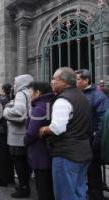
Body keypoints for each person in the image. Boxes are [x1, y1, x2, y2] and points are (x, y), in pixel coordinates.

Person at [39, 67, 92, 200]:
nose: (51, 82)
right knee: (79, 193)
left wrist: (44, 129)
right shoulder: (82, 96)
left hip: (66, 155)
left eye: (54, 79)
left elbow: (57, 128)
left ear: (63, 82)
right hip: (83, 152)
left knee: (65, 195)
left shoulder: (63, 100)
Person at [75, 69, 109, 200]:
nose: (75, 82)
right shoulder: (76, 93)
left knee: (93, 172)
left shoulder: (98, 96)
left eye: (77, 79)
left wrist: (95, 138)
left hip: (91, 140)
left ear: (86, 80)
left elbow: (102, 120)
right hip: (78, 139)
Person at [3, 74, 33, 198]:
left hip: (17, 136)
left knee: (19, 163)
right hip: (23, 134)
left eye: (15, 82)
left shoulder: (21, 94)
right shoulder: (29, 92)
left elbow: (19, 112)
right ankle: (24, 186)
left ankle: (23, 188)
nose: (14, 85)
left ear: (21, 83)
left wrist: (6, 110)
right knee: (24, 163)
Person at [24, 81, 54, 200]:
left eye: (31, 91)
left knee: (43, 187)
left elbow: (31, 132)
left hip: (40, 152)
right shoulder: (49, 103)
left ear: (38, 92)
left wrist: (25, 140)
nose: (29, 94)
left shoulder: (39, 108)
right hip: (48, 150)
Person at [0, 83, 15, 186]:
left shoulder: (2, 101)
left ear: (3, 90)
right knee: (9, 156)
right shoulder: (12, 100)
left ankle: (2, 179)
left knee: (2, 156)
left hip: (2, 132)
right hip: (10, 131)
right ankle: (10, 178)